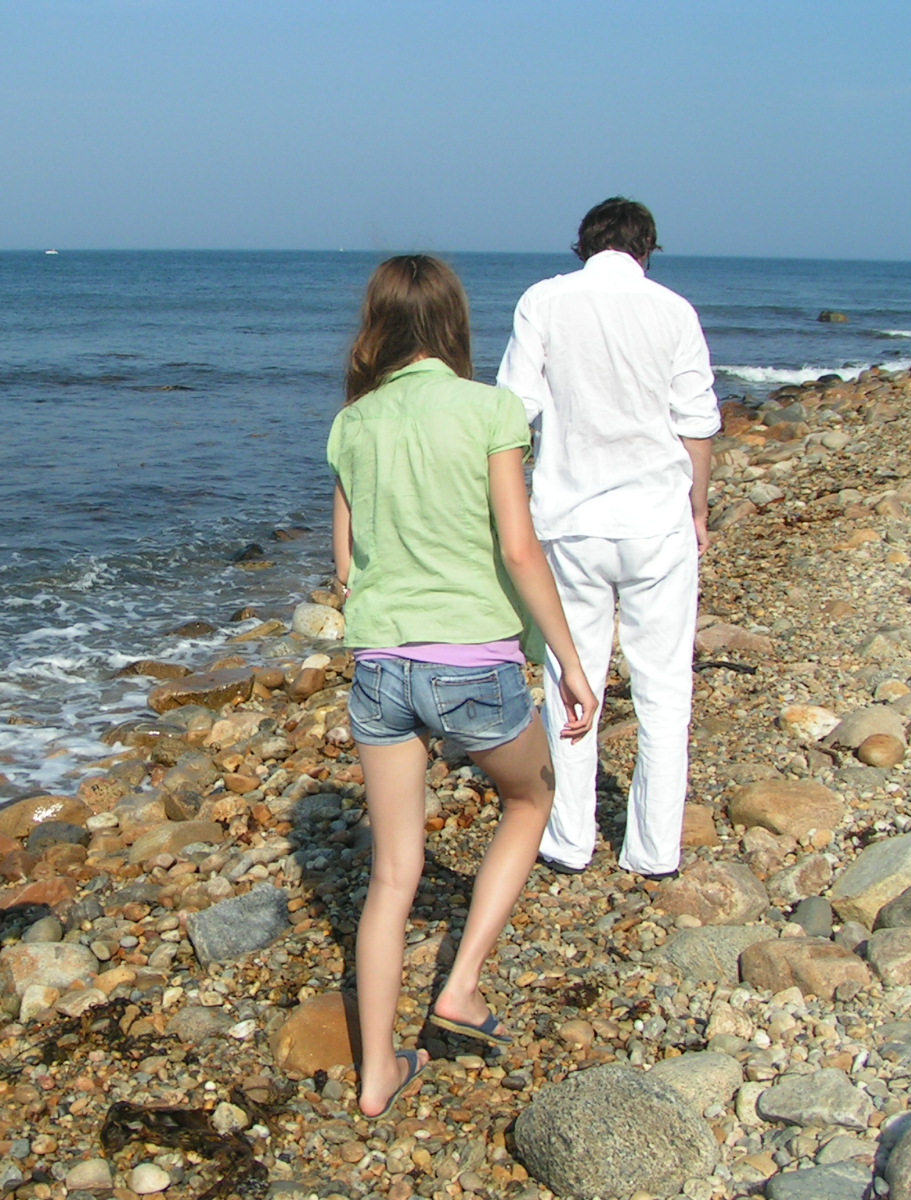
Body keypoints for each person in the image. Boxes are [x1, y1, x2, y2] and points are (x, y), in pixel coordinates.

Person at [328, 255, 598, 1120]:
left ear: (377, 326)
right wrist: (570, 660)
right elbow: (519, 548)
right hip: (473, 665)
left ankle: (377, 1075)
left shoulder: (353, 423)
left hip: (379, 669)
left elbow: (345, 566)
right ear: (452, 323)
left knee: (392, 876)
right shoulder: (490, 409)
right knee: (532, 798)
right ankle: (461, 985)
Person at [496, 197, 721, 879]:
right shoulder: (674, 310)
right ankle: (653, 850)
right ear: (645, 249)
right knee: (663, 687)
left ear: (583, 245)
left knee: (571, 676)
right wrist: (698, 509)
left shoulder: (543, 301)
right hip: (656, 520)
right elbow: (696, 424)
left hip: (570, 520)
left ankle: (570, 839)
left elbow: (513, 410)